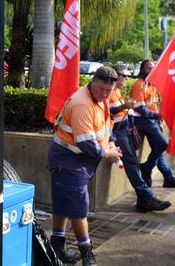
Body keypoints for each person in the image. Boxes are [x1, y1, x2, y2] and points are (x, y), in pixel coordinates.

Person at [47, 66, 123, 266]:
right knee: (79, 209)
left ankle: (57, 245)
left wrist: (111, 142)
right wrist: (108, 153)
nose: (105, 94)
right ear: (92, 82)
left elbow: (106, 125)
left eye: (109, 90)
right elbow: (86, 143)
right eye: (101, 90)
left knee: (64, 201)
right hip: (69, 159)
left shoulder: (101, 98)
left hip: (76, 159)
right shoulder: (82, 104)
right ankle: (87, 253)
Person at [110, 64, 171, 212]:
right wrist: (122, 107)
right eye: (123, 75)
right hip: (117, 132)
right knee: (131, 162)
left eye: (126, 75)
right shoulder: (109, 91)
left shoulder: (117, 91)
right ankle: (147, 197)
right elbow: (107, 111)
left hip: (125, 130)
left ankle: (142, 201)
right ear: (114, 75)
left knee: (133, 163)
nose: (126, 78)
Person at [131, 60, 175, 189]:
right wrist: (157, 116)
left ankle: (168, 177)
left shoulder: (151, 85)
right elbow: (139, 108)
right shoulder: (139, 85)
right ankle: (147, 168)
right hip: (142, 120)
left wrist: (158, 119)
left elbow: (154, 105)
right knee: (162, 145)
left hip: (152, 121)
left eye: (153, 68)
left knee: (159, 150)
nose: (151, 71)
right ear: (141, 69)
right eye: (148, 68)